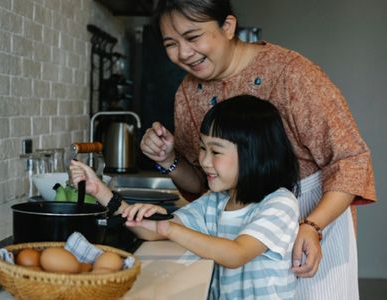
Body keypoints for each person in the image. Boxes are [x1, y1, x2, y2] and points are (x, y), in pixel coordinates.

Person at [139, 1, 377, 299]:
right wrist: (169, 159)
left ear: (227, 27)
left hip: (312, 215)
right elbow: (204, 183)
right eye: (171, 44)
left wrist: (313, 225)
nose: (183, 53)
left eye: (193, 37)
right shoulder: (188, 93)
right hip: (238, 235)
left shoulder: (292, 73)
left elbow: (351, 160)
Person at [71, 95, 302, 299]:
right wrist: (99, 191)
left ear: (255, 154)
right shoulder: (216, 201)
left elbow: (236, 253)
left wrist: (169, 229)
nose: (204, 161)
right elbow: (148, 230)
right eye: (203, 148)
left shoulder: (280, 203)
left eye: (216, 151)